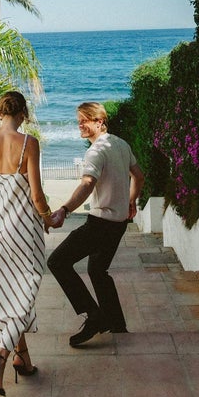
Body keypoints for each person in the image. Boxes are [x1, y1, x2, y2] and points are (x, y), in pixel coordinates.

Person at [0, 90, 58, 396]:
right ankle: (0, 356)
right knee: (26, 290)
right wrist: (48, 218)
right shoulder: (29, 144)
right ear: (23, 114)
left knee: (7, 295)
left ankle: (23, 361)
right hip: (23, 230)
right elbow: (37, 195)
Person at [47, 101, 145, 347]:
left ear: (100, 122)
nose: (80, 125)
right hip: (118, 223)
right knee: (98, 271)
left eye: (85, 120)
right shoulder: (120, 144)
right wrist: (131, 201)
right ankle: (117, 326)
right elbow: (139, 176)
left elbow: (87, 183)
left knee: (57, 261)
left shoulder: (96, 151)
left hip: (100, 224)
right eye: (79, 120)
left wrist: (64, 209)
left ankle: (95, 316)